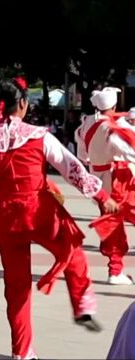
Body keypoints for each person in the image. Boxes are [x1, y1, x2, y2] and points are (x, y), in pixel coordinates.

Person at [0, 78, 115, 359]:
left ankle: (22, 352)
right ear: (23, 103)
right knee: (73, 249)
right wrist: (103, 198)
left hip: (5, 216)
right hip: (38, 210)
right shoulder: (38, 135)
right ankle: (82, 304)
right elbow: (72, 168)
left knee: (16, 285)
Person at [77, 87, 135, 285]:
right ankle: (115, 271)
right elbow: (128, 152)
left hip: (99, 180)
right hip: (117, 178)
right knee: (115, 224)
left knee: (112, 224)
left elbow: (82, 155)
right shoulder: (112, 127)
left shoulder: (86, 123)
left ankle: (115, 269)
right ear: (114, 105)